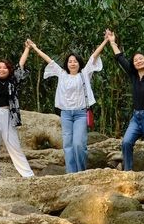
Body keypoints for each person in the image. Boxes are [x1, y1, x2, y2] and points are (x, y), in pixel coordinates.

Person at [29, 34, 109, 173]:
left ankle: (81, 171)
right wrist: (34, 47)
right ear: (67, 63)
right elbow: (48, 59)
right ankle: (71, 173)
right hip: (65, 113)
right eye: (70, 61)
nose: (72, 63)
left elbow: (94, 56)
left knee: (79, 144)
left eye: (75, 61)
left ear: (79, 63)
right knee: (67, 145)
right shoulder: (62, 74)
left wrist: (106, 40)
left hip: (80, 113)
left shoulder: (84, 74)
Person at [106, 29, 144, 171]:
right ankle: (127, 172)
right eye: (135, 60)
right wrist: (112, 42)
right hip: (136, 116)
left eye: (141, 58)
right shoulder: (133, 75)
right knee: (126, 142)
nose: (138, 61)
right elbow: (120, 58)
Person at [0, 37, 34, 178]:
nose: (1, 69)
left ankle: (27, 175)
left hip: (8, 115)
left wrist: (27, 48)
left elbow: (21, 65)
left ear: (8, 70)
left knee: (14, 146)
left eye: (4, 67)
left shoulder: (13, 81)